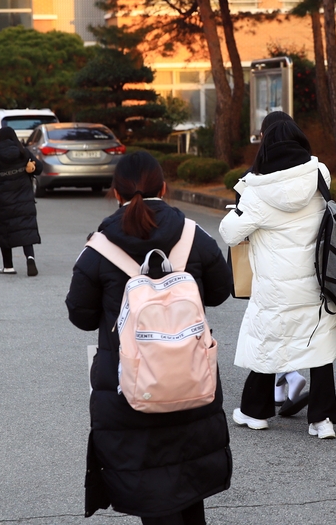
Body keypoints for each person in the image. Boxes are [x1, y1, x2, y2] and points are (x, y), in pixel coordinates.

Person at [65, 152, 232, 524]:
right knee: (189, 486)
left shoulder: (100, 246)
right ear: (164, 187)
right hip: (191, 380)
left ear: (115, 192)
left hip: (131, 388)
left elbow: (80, 314)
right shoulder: (192, 234)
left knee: (153, 495)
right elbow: (221, 291)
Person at [219, 119, 336, 440]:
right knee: (320, 346)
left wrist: (243, 194)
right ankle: (322, 420)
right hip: (319, 279)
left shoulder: (257, 190)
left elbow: (230, 233)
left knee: (268, 343)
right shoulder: (319, 175)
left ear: (264, 142)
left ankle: (255, 413)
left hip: (275, 287)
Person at [234, 111, 310, 417]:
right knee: (294, 326)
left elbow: (233, 226)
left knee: (270, 331)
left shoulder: (256, 178)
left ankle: (286, 381)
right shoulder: (312, 174)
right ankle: (287, 382)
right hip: (306, 268)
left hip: (270, 268)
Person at [0, 127, 43, 276]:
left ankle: (8, 266)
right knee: (25, 228)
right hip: (24, 199)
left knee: (5, 230)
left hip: (3, 200)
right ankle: (30, 258)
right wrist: (30, 169)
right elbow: (39, 168)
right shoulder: (23, 152)